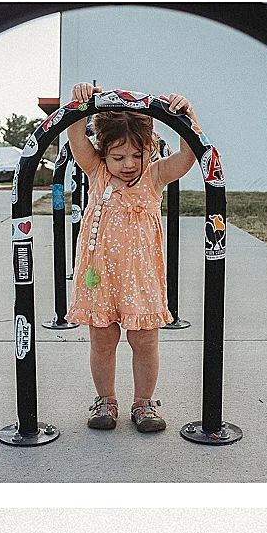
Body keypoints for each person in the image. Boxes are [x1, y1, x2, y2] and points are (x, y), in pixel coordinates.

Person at [64, 83, 199, 433]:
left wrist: (187, 116)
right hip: (101, 276)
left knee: (144, 341)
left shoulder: (153, 177)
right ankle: (106, 400)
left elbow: (187, 157)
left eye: (136, 155)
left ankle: (144, 403)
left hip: (140, 278)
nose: (128, 164)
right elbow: (77, 138)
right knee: (103, 340)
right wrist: (83, 104)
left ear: (148, 152)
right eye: (118, 156)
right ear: (104, 153)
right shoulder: (96, 173)